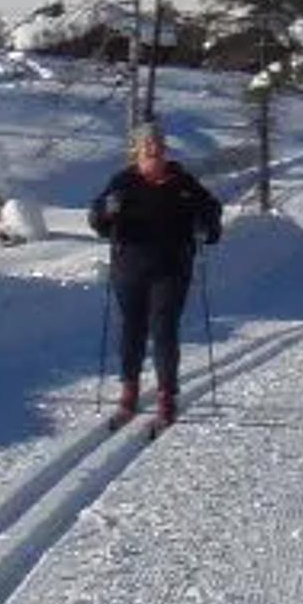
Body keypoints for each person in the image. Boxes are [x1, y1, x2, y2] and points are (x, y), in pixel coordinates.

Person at [87, 119, 224, 430]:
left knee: (163, 327)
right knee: (132, 328)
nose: (154, 150)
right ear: (136, 152)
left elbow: (211, 211)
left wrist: (207, 226)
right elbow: (97, 220)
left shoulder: (182, 181)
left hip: (172, 266)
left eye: (158, 145)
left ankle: (166, 395)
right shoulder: (122, 182)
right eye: (147, 146)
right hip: (130, 267)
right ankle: (129, 391)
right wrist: (107, 211)